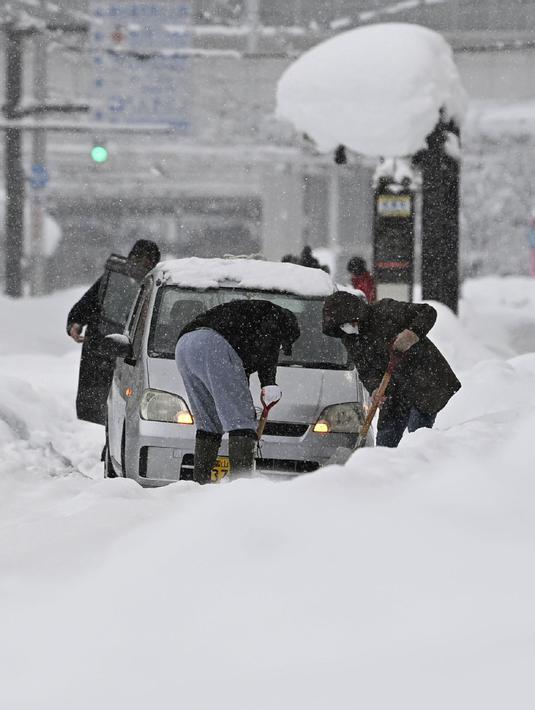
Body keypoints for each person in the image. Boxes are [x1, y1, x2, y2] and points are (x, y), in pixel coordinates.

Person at [175, 299, 300, 483]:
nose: (280, 349)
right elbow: (269, 345)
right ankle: (241, 485)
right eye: (282, 345)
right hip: (213, 345)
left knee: (208, 422)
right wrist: (268, 382)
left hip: (185, 346)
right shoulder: (275, 317)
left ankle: (199, 483)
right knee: (242, 422)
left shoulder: (247, 322)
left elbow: (237, 376)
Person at [322, 291, 461, 448]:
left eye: (346, 322)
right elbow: (366, 371)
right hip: (393, 390)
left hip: (423, 380)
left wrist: (411, 335)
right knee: (385, 440)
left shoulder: (385, 311)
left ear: (355, 313)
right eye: (341, 326)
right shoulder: (351, 339)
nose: (346, 328)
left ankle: (417, 468)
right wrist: (374, 389)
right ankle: (382, 469)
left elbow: (427, 312)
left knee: (418, 438)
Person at [67, 239, 161, 426]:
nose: (143, 263)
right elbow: (87, 305)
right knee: (103, 403)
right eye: (140, 258)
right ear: (131, 258)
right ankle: (111, 440)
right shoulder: (113, 281)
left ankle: (115, 439)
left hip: (133, 356)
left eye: (149, 260)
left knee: (126, 407)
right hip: (103, 350)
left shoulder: (153, 286)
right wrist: (75, 324)